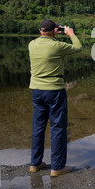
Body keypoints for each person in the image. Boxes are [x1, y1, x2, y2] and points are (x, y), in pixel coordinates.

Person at [28, 19, 82, 177]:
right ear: (53, 32)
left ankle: (35, 164)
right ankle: (57, 167)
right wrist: (70, 34)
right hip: (54, 91)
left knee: (38, 127)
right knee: (58, 127)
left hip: (36, 90)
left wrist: (53, 32)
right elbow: (78, 47)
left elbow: (46, 38)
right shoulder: (56, 46)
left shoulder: (31, 44)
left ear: (40, 31)